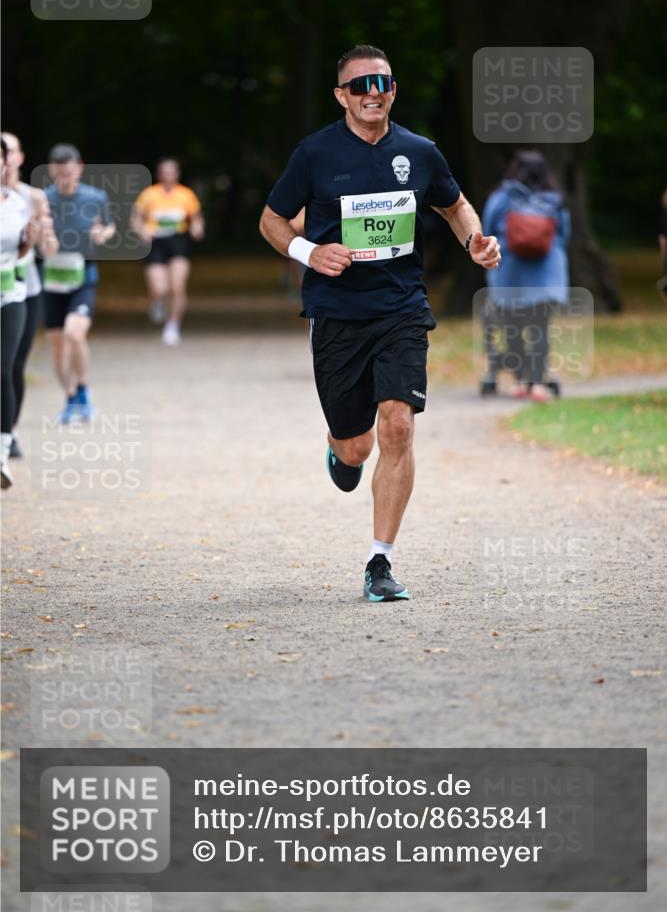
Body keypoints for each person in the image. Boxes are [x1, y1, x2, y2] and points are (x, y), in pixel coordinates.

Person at [259, 44, 500, 602]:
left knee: (398, 424)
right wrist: (307, 252)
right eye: (361, 84)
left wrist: (475, 241)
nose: (373, 92)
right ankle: (338, 446)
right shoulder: (315, 153)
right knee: (356, 448)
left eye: (383, 83)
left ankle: (380, 562)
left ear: (393, 90)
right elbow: (271, 219)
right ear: (341, 95)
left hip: (401, 308)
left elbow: (454, 204)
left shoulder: (419, 152)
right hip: (337, 313)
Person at [481, 151, 571, 402]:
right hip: (546, 275)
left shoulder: (500, 198)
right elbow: (564, 236)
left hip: (509, 272)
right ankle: (538, 384)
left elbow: (487, 232)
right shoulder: (555, 201)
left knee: (512, 329)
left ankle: (520, 380)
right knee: (540, 329)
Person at [44, 144, 116, 423]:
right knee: (57, 346)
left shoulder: (96, 197)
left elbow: (108, 226)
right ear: (52, 171)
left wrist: (102, 234)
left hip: (83, 276)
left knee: (75, 334)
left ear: (80, 168)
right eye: (60, 174)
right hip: (52, 278)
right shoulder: (43, 199)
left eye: (70, 173)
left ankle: (83, 390)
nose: (65, 178)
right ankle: (70, 395)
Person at [1, 131, 58, 457]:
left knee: (11, 365)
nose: (6, 157)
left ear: (19, 157)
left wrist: (41, 238)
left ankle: (9, 432)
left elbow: (49, 249)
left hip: (24, 290)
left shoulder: (32, 197)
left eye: (11, 151)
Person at [131, 158, 204, 345]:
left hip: (178, 241)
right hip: (156, 242)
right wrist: (141, 231)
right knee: (159, 288)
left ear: (177, 174)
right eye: (165, 171)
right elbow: (136, 219)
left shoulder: (186, 194)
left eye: (172, 171)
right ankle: (158, 301)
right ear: (159, 174)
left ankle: (173, 325)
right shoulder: (149, 194)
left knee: (177, 287)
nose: (168, 175)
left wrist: (197, 228)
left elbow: (196, 218)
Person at [1, 137, 29, 487]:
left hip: (12, 293)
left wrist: (33, 242)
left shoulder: (18, 203)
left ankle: (3, 453)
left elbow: (26, 251)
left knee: (4, 369)